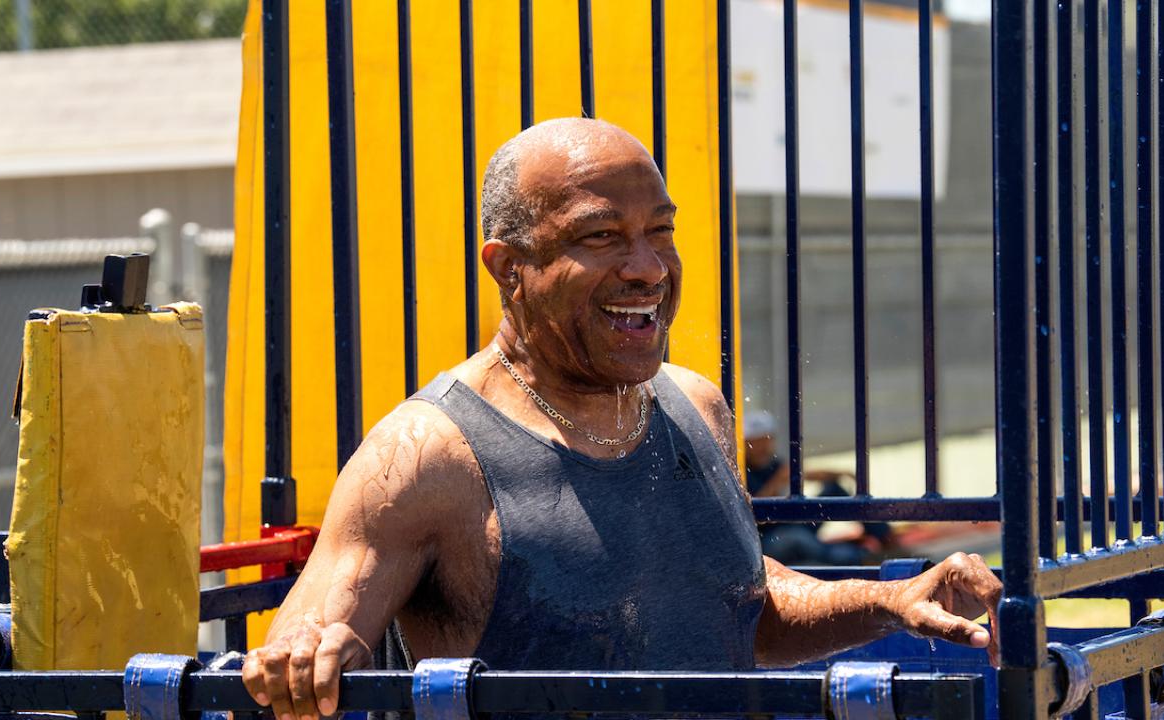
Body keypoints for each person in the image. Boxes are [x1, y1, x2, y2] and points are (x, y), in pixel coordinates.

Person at [241, 118, 1002, 720]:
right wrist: (313, 652)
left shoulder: (693, 404)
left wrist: (888, 601)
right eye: (601, 236)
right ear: (510, 268)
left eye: (660, 232)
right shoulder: (426, 455)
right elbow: (300, 647)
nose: (647, 267)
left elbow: (740, 609)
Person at [742, 411, 891, 565]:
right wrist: (778, 481)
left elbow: (805, 473)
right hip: (766, 541)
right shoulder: (741, 470)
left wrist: (840, 473)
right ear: (744, 443)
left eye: (766, 439)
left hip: (790, 526)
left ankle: (884, 535)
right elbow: (748, 516)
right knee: (797, 537)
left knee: (833, 490)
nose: (762, 446)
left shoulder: (773, 463)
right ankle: (856, 558)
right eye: (755, 442)